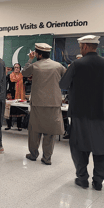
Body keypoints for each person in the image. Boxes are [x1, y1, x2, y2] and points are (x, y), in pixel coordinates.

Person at [60, 35, 104, 191]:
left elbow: (63, 84)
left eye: (80, 47)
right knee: (101, 147)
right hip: (101, 115)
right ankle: (98, 181)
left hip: (80, 114)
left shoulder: (77, 64)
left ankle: (82, 178)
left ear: (85, 46)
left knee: (79, 146)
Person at [22, 43, 66, 165]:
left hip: (38, 103)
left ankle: (33, 154)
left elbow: (24, 73)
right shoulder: (58, 66)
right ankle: (47, 158)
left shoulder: (35, 65)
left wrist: (29, 59)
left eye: (35, 53)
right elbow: (67, 79)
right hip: (54, 103)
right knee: (50, 132)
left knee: (34, 131)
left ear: (39, 54)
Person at [5, 63, 26, 131]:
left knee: (19, 110)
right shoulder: (10, 76)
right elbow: (4, 81)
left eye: (18, 67)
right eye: (15, 67)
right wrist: (6, 72)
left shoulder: (22, 76)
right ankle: (8, 125)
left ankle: (19, 126)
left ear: (20, 69)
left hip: (19, 96)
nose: (16, 68)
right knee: (9, 110)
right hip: (11, 95)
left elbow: (29, 81)